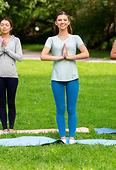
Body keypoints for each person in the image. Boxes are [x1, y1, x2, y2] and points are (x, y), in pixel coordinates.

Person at [40, 11, 89, 144]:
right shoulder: (51, 40)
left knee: (71, 109)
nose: (62, 22)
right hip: (57, 79)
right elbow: (43, 56)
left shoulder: (75, 38)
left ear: (68, 22)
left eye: (64, 20)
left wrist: (70, 57)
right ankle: (62, 137)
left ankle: (71, 137)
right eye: (59, 20)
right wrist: (60, 57)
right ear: (56, 23)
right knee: (60, 109)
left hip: (73, 78)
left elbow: (85, 53)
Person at [0, 18, 22, 132]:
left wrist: (7, 49)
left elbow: (19, 57)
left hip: (12, 76)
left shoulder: (16, 40)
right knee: (2, 102)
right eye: (2, 25)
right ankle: (4, 128)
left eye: (7, 25)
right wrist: (1, 50)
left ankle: (11, 127)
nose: (4, 27)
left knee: (11, 102)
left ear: (11, 27)